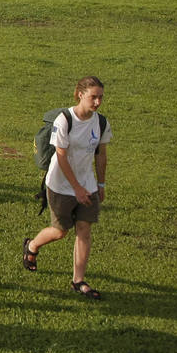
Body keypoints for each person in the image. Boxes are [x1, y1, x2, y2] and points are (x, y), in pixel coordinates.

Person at [23, 76, 112, 300]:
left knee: (84, 230)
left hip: (87, 184)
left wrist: (100, 183)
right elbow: (61, 157)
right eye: (93, 97)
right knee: (60, 231)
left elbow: (101, 155)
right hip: (60, 185)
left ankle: (78, 281)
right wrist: (76, 188)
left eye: (101, 97)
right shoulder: (64, 120)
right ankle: (32, 246)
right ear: (80, 95)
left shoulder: (101, 123)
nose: (98, 102)